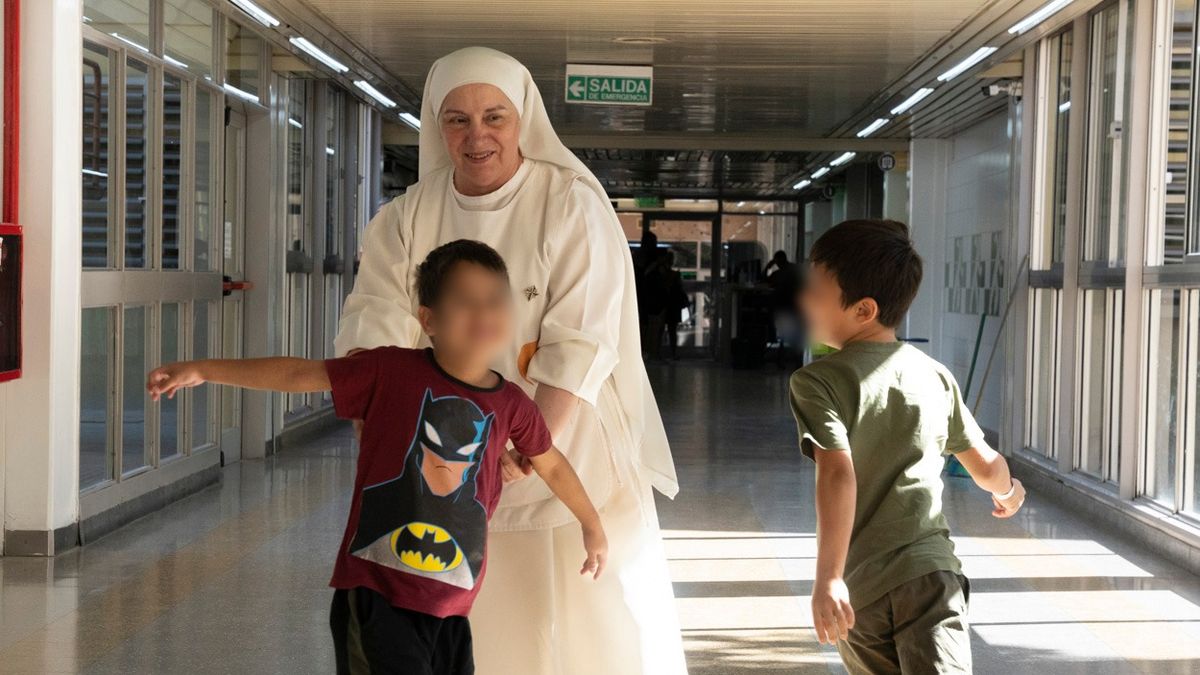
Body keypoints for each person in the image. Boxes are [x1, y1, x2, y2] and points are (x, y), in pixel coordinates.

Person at [333, 47, 686, 675]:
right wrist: (385, 438)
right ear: (437, 128)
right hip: (439, 462)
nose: (477, 136)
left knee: (585, 624)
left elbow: (579, 341)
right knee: (466, 625)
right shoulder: (407, 215)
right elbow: (373, 328)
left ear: (522, 117)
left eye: (494, 116)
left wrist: (522, 449)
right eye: (457, 120)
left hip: (557, 445)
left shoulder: (569, 202)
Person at [146, 241, 608, 675]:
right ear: (429, 319)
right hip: (377, 596)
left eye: (495, 300)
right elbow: (298, 373)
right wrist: (205, 369)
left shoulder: (511, 405)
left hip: (452, 605)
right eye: (466, 301)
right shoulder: (390, 371)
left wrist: (591, 524)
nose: (484, 312)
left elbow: (550, 463)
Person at [788, 219, 1026, 674]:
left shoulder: (816, 381)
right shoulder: (934, 375)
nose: (802, 299)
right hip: (929, 576)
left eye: (815, 290)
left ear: (863, 309)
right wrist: (1008, 491)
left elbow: (838, 472)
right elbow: (985, 466)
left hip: (863, 589)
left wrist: (829, 577)